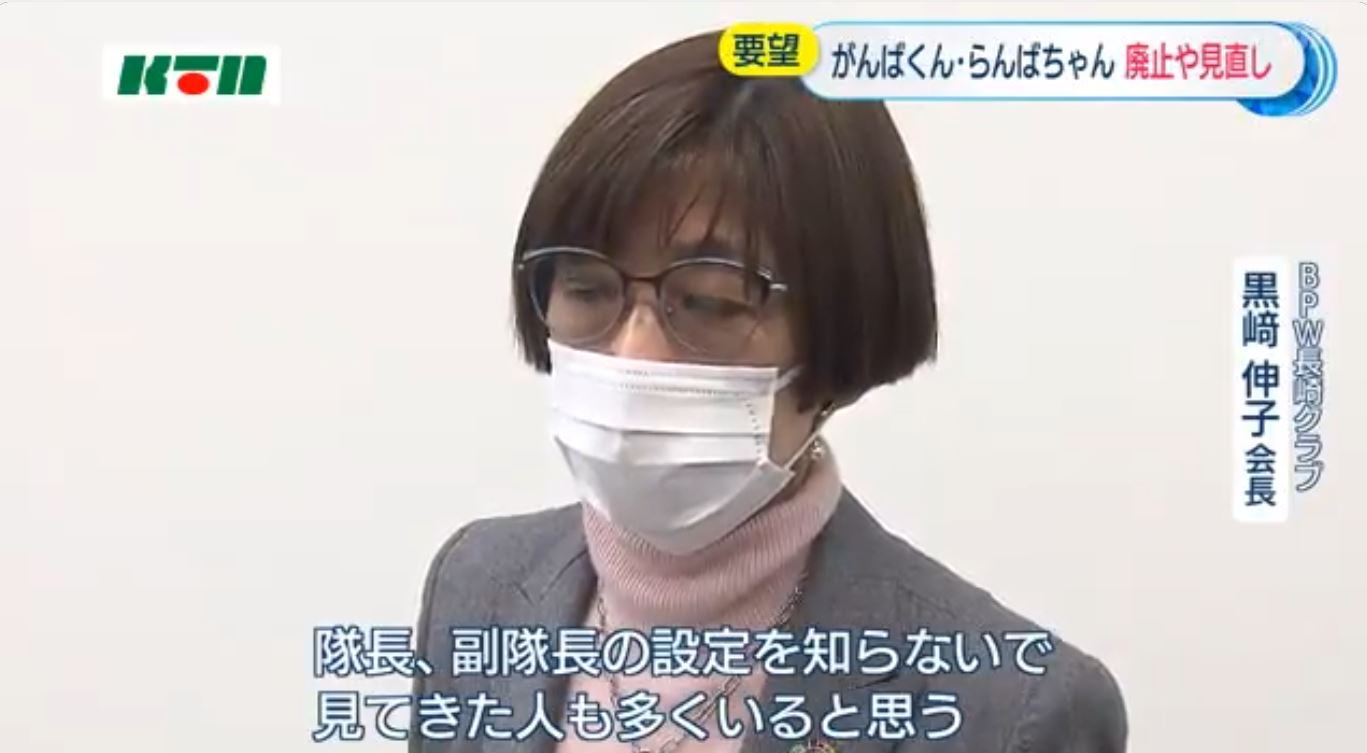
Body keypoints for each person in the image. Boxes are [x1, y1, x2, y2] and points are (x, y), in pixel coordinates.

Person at [411, 29, 1127, 753]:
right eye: (588, 289)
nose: (632, 355)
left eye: (710, 301)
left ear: (841, 331)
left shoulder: (1013, 710)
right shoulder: (478, 586)